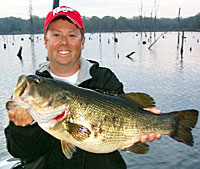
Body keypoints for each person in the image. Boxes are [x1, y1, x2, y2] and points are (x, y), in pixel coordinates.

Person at [5, 6, 161, 169]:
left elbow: (123, 117)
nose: (63, 42)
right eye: (56, 35)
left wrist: (143, 127)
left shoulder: (104, 78)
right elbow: (21, 151)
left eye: (71, 35)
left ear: (82, 41)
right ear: (45, 41)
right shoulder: (31, 94)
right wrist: (24, 129)